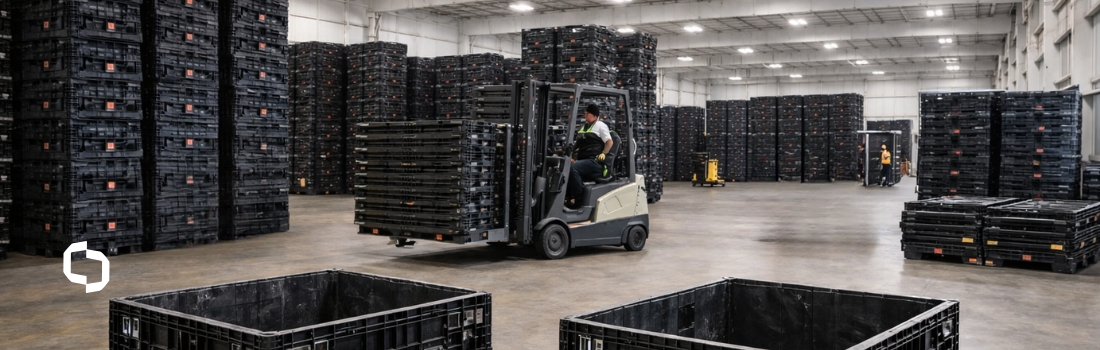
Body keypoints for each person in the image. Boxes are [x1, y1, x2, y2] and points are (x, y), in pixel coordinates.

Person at [566, 104, 614, 206]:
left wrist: (603, 153)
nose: (585, 115)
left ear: (595, 116)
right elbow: (577, 146)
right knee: (565, 166)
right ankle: (567, 198)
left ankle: (578, 196)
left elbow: (609, 142)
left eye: (587, 113)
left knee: (574, 167)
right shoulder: (584, 127)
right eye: (585, 113)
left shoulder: (601, 126)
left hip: (595, 162)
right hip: (584, 161)